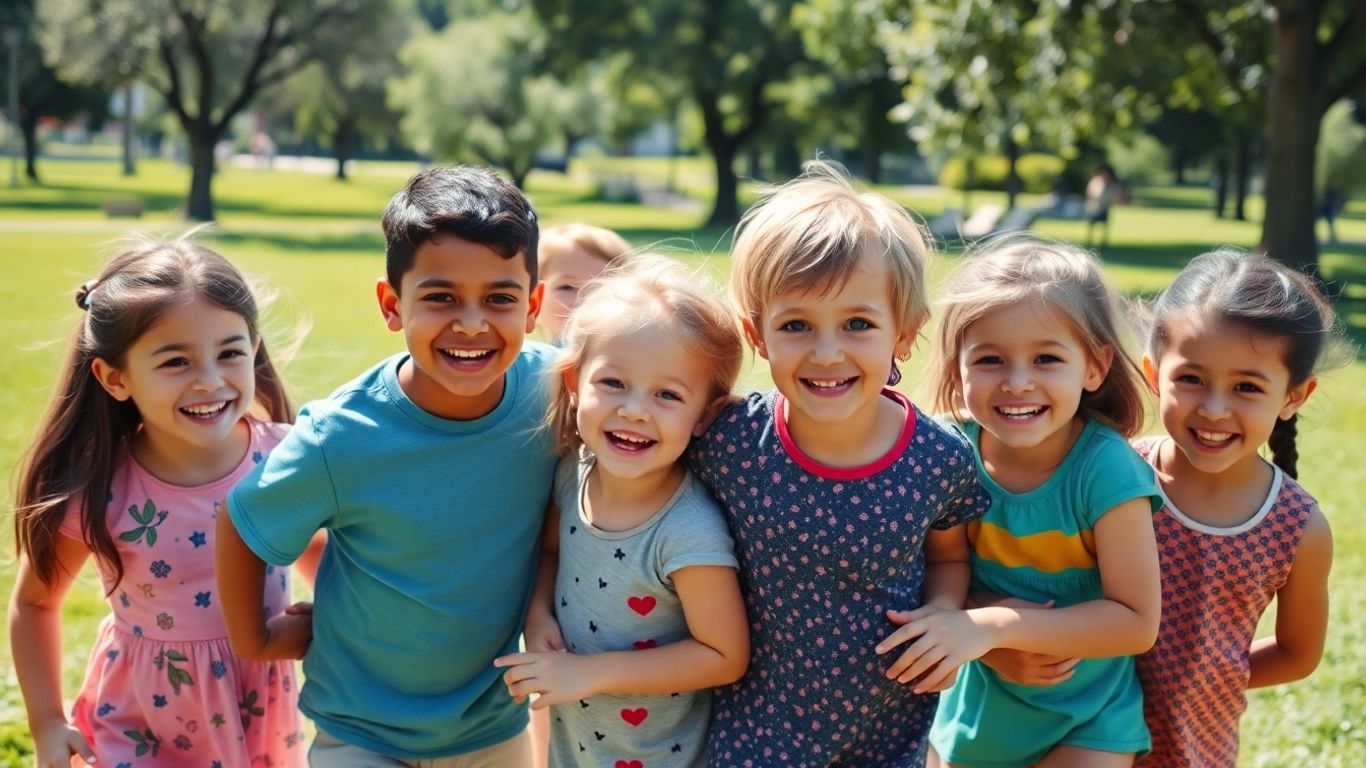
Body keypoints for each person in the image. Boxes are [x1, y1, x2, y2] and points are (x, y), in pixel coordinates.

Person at [217, 166, 556, 765]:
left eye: (499, 298)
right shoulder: (340, 436)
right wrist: (257, 637)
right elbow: (244, 520)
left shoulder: (555, 392)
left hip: (492, 724)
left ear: (532, 305)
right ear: (392, 304)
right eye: (440, 297)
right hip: (360, 731)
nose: (472, 322)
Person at [688, 161, 992, 767]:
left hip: (888, 732)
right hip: (755, 730)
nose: (827, 353)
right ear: (758, 335)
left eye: (858, 323)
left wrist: (943, 611)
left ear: (904, 334)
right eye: (796, 325)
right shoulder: (730, 443)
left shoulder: (939, 457)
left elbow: (950, 555)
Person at [9, 237, 306, 767]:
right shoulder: (100, 488)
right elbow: (34, 604)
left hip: (256, 708)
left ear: (254, 348)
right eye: (176, 361)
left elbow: (330, 558)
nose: (210, 381)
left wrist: (328, 612)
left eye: (230, 353)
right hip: (143, 717)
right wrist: (48, 722)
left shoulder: (288, 460)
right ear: (115, 378)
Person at [889, 236, 1162, 767]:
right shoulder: (946, 456)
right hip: (979, 711)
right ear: (955, 370)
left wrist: (995, 627)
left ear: (1094, 367)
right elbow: (938, 570)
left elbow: (1135, 621)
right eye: (990, 359)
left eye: (1046, 358)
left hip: (1090, 720)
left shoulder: (1105, 471)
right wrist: (984, 638)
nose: (1018, 382)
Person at [495, 255, 750, 768]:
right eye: (613, 383)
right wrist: (538, 613)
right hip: (578, 753)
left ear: (705, 415)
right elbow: (550, 549)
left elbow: (725, 655)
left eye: (667, 394)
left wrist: (590, 673)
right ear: (573, 382)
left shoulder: (686, 531)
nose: (635, 409)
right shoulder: (573, 471)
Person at [1132, 249, 1337, 767]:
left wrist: (1209, 678)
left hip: (1191, 752)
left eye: (1247, 387)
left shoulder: (1297, 528)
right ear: (1154, 374)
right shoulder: (1115, 475)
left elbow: (1298, 653)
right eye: (1191, 379)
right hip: (1072, 733)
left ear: (1294, 396)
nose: (1214, 408)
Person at [537, 223, 632, 343]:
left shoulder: (638, 360)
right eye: (567, 287)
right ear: (533, 302)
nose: (584, 299)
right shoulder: (521, 360)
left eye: (601, 287)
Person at [1084, 166, 1117, 248]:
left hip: (1104, 207)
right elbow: (1091, 193)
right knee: (1092, 225)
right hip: (1094, 206)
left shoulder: (1110, 183)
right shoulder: (1096, 181)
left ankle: (1103, 242)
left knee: (1104, 225)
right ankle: (1090, 240)